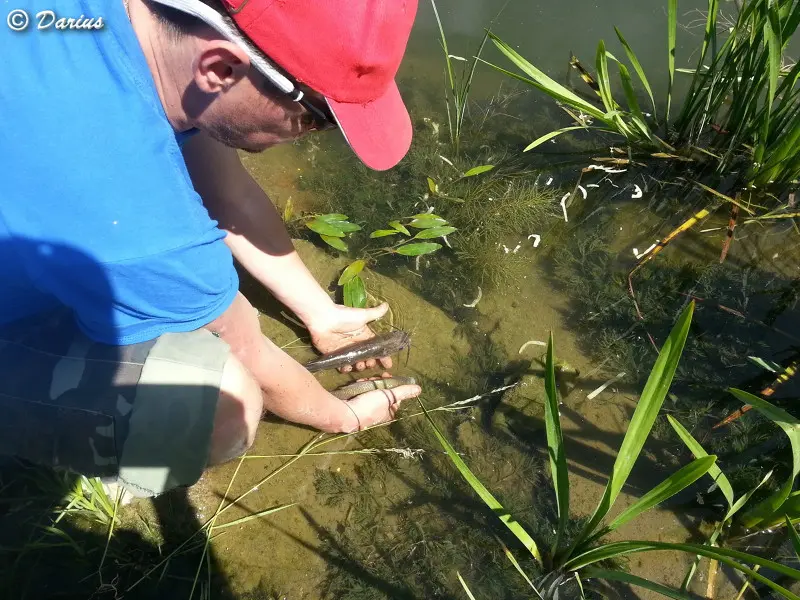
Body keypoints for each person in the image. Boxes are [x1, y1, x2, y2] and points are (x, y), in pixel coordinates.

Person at [0, 0, 422, 498]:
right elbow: (250, 352)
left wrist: (319, 312)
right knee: (222, 403)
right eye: (316, 116)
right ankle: (108, 470)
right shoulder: (145, 228)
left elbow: (228, 192)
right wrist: (341, 416)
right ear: (220, 67)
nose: (311, 137)